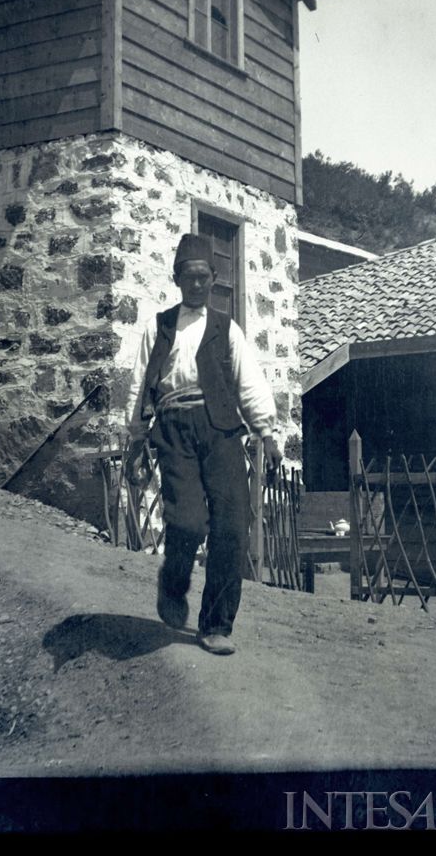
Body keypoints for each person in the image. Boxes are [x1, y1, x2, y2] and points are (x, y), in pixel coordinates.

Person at [123, 233, 282, 655]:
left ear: (213, 278)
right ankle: (173, 583)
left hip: (221, 430)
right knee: (189, 522)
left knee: (232, 525)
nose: (196, 284)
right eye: (189, 277)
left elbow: (249, 383)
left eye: (203, 277)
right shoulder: (159, 327)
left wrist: (266, 432)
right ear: (177, 279)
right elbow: (140, 385)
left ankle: (215, 625)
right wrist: (136, 437)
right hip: (175, 429)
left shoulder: (226, 328)